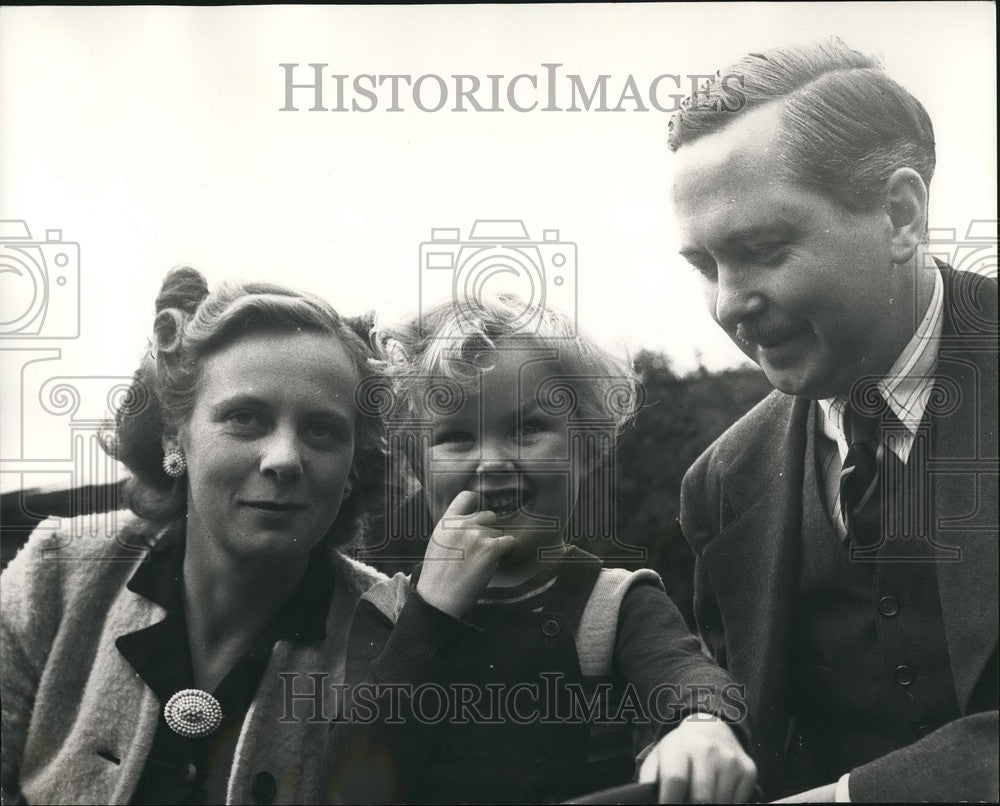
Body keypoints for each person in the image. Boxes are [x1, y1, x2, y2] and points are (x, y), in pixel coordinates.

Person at [668, 38, 998, 801]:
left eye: (762, 249)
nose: (727, 303)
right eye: (705, 266)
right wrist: (696, 716)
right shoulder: (721, 483)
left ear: (900, 213)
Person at [327, 295, 758, 804]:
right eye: (456, 438)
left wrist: (701, 723)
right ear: (416, 468)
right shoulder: (390, 612)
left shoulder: (615, 602)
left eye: (529, 428)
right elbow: (353, 781)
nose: (493, 462)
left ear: (587, 446)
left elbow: (686, 674)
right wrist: (431, 613)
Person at [0, 267, 388, 804]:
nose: (284, 459)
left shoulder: (388, 635)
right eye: (247, 418)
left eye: (322, 430)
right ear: (172, 435)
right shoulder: (58, 574)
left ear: (352, 469)